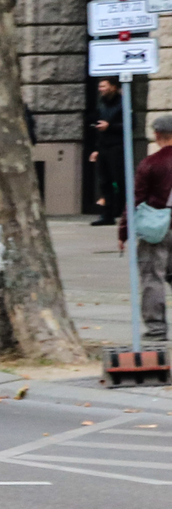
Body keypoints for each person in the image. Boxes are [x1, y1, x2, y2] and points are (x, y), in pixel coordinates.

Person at [127, 113, 172, 344]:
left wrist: (124, 230)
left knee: (153, 277)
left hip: (158, 229)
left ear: (156, 135)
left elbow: (135, 198)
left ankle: (156, 330)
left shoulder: (151, 163)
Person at [91, 78, 127, 227]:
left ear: (113, 87)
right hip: (104, 147)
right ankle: (107, 215)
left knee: (119, 181)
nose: (101, 89)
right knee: (104, 182)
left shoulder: (123, 103)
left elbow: (130, 125)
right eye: (99, 86)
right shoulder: (101, 103)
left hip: (117, 147)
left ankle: (125, 212)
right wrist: (96, 149)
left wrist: (109, 126)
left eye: (103, 86)